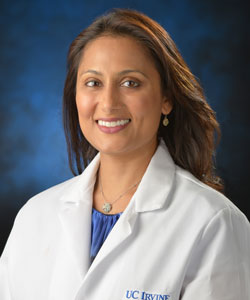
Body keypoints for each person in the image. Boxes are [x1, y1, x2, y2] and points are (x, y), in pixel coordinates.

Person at [0, 8, 249, 300]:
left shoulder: (214, 222)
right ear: (75, 96)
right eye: (93, 83)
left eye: (130, 83)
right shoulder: (34, 215)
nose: (107, 103)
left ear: (166, 99)